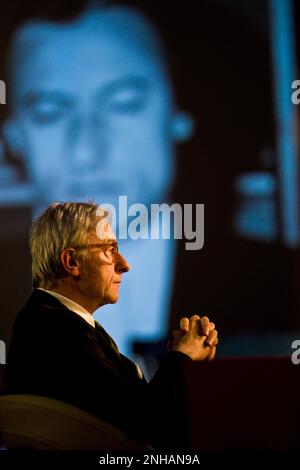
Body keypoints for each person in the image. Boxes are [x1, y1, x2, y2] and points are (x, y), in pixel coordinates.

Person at [0, 0, 194, 359]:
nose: (86, 150)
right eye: (49, 112)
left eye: (124, 102)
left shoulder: (273, 284)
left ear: (178, 111)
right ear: (13, 135)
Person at [2, 201, 218, 448]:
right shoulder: (55, 329)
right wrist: (182, 356)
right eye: (110, 250)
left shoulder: (56, 322)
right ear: (72, 262)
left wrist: (178, 359)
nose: (124, 264)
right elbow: (144, 420)